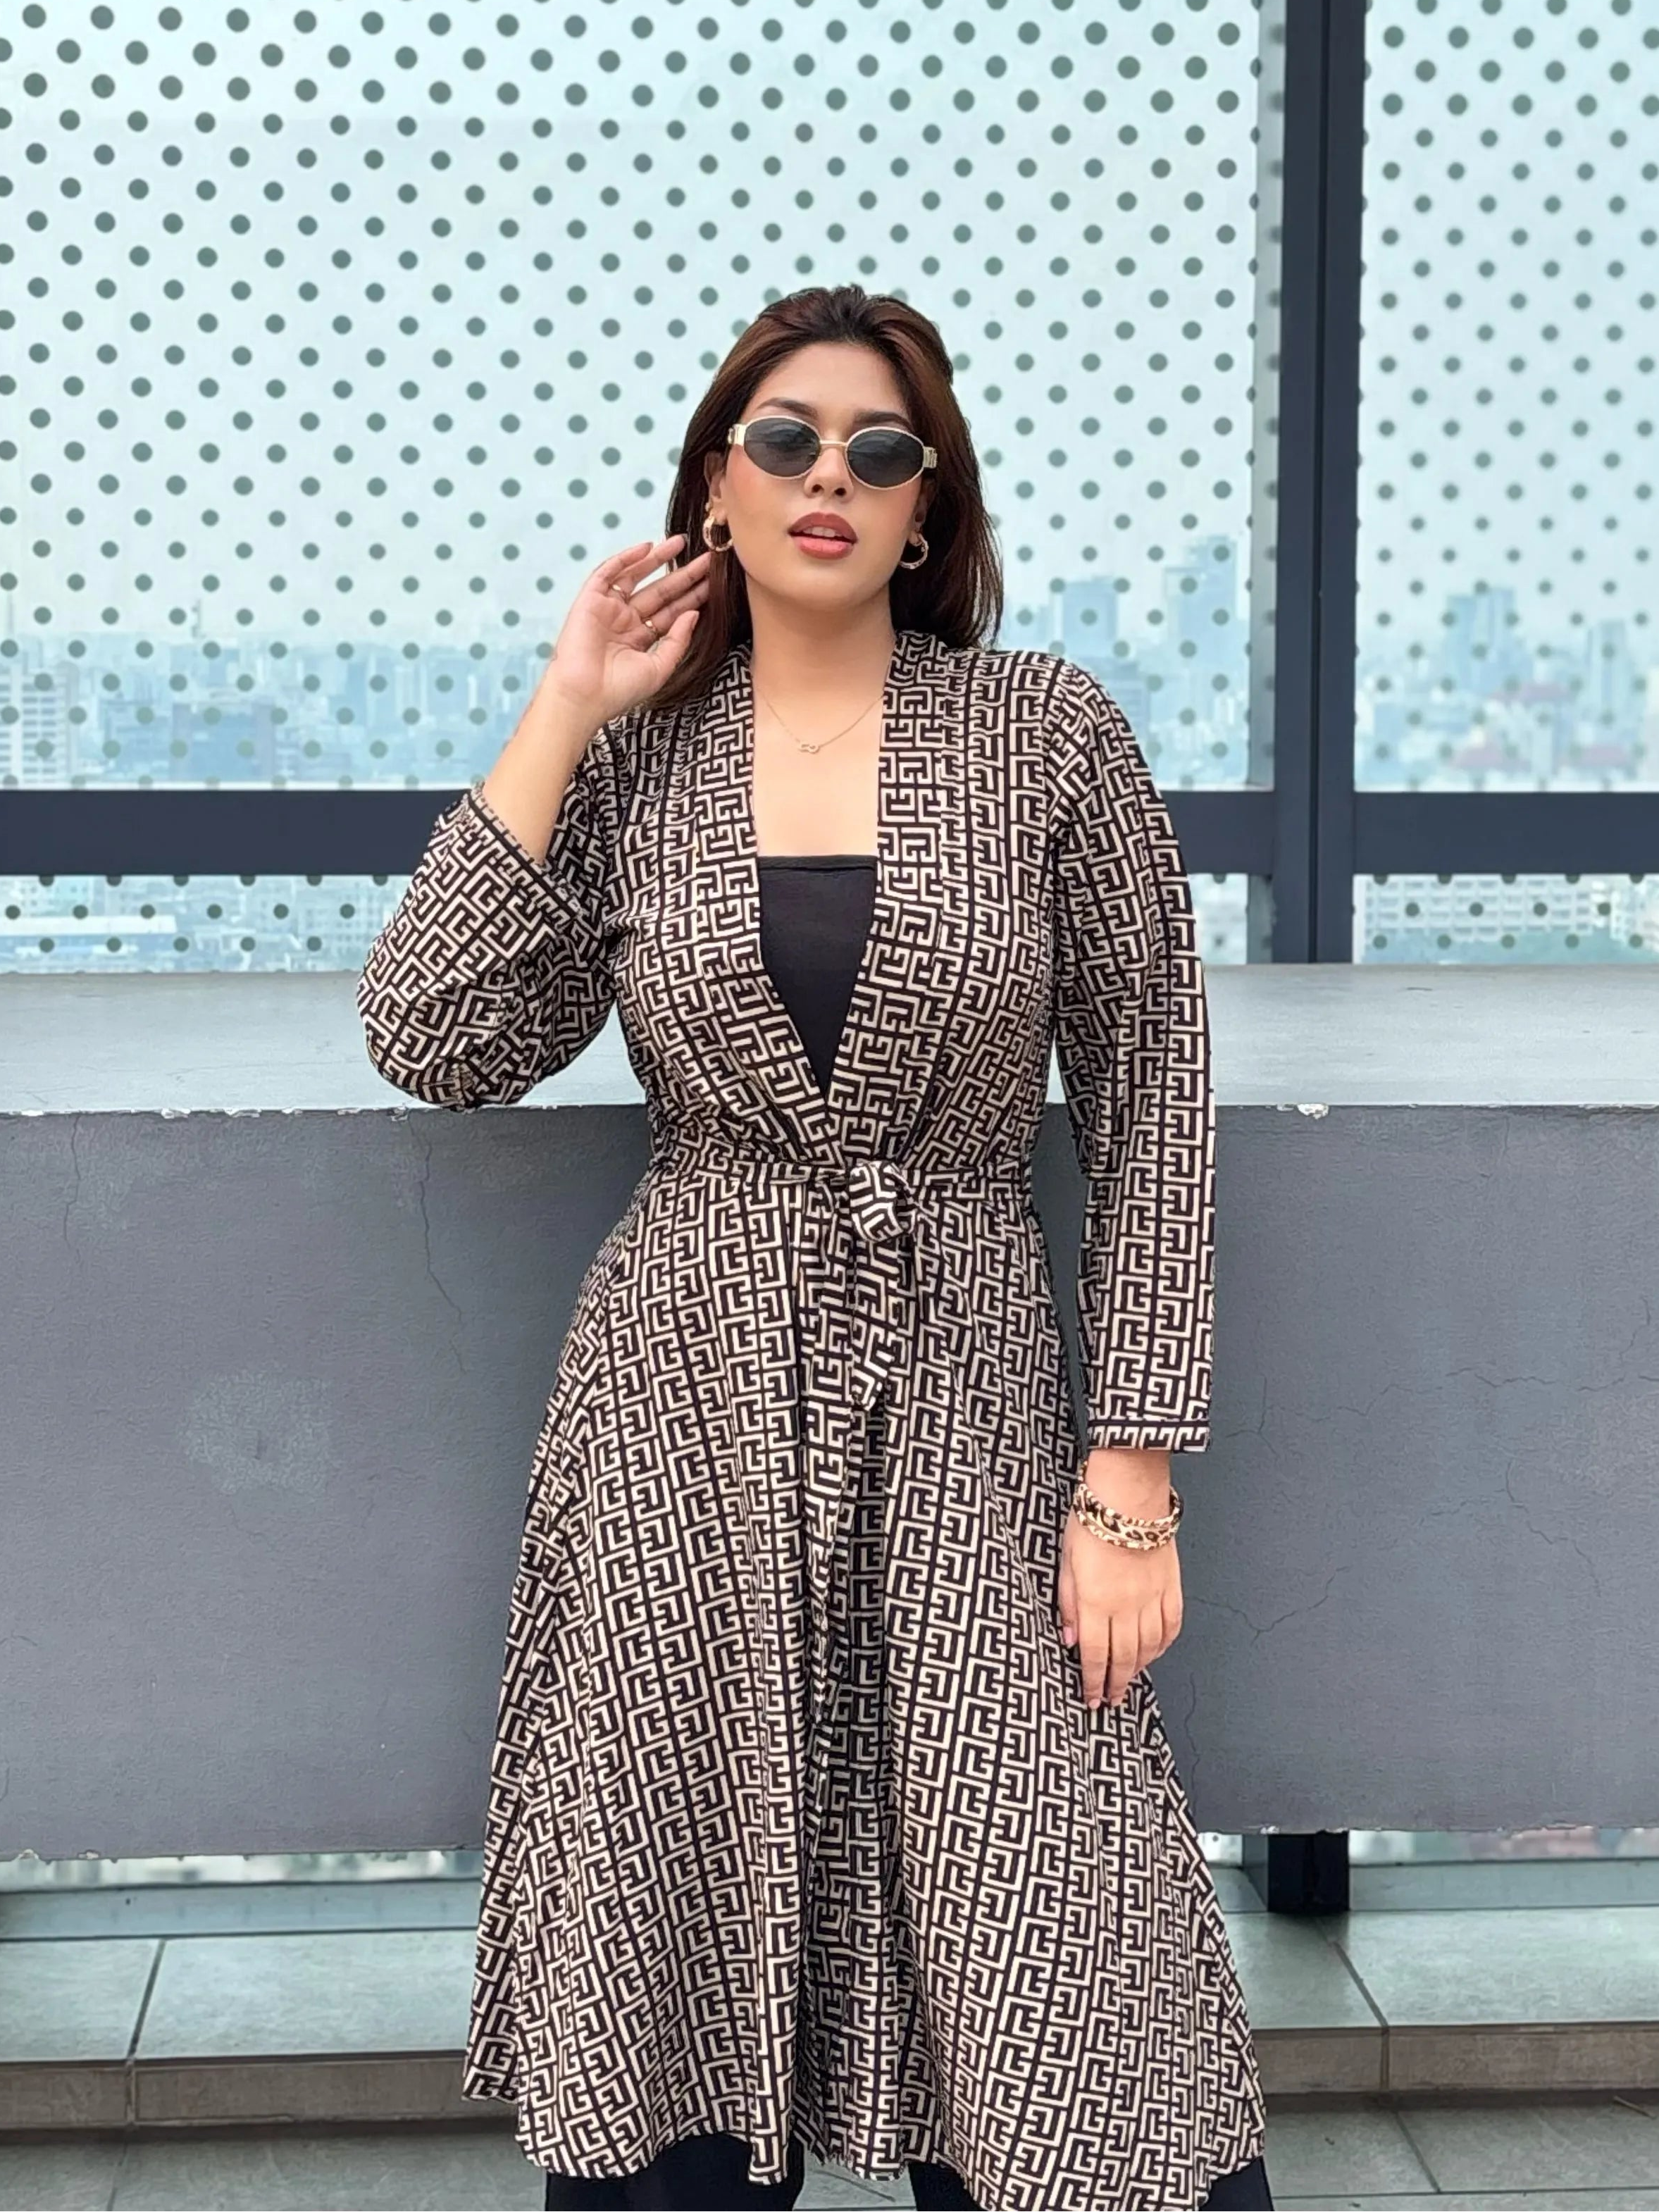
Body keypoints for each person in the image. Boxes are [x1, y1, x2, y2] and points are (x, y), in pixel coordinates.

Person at [357, 284, 1273, 2212]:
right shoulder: (636, 764)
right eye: (783, 437)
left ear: (931, 508)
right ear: (715, 478)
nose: (829, 476)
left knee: (1051, 1963)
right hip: (686, 1394)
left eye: (880, 447)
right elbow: (435, 1034)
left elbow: (1149, 1089)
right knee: (677, 1944)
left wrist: (1131, 1471)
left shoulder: (1047, 738)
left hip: (973, 1391)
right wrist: (565, 699)